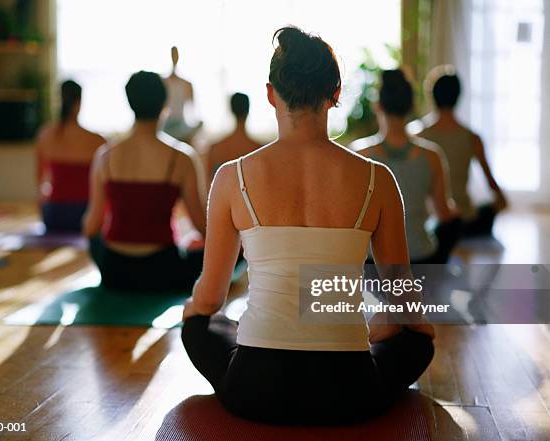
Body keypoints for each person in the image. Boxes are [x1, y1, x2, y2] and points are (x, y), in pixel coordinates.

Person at [181, 27, 435, 425]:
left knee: (200, 325)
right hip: (350, 391)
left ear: (270, 94)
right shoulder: (378, 179)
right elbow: (400, 294)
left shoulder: (231, 177)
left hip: (254, 389)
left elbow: (211, 297)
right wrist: (405, 325)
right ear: (335, 93)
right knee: (418, 343)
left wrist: (193, 310)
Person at [82, 70, 206, 292]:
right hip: (163, 269)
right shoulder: (182, 157)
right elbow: (202, 226)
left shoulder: (105, 156)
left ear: (130, 103)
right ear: (164, 103)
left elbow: (91, 226)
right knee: (236, 249)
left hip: (114, 269)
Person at [353, 70, 461, 264]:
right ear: (411, 106)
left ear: (378, 106)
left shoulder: (360, 154)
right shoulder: (432, 155)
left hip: (374, 261)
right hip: (421, 257)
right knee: (455, 222)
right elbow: (444, 214)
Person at [416, 65, 507, 237]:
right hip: (465, 220)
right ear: (458, 96)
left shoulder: (417, 135)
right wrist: (503, 201)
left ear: (432, 95)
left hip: (432, 220)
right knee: (487, 211)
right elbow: (491, 184)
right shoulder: (472, 138)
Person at [35, 80, 106, 233]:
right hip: (85, 213)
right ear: (79, 103)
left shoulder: (45, 135)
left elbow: (40, 182)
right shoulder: (98, 141)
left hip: (54, 215)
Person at [207, 93, 262, 181]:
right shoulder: (258, 149)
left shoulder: (215, 149)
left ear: (231, 111)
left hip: (222, 194)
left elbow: (208, 187)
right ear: (248, 111)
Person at [163, 46, 202, 142]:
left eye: (176, 54)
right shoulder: (163, 82)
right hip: (165, 126)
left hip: (180, 125)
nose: (174, 57)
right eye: (173, 54)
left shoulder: (187, 84)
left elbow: (193, 112)